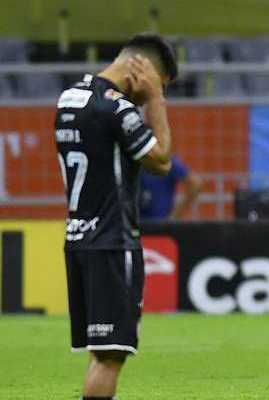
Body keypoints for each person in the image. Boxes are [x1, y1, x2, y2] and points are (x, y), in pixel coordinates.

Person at [54, 32, 177, 400]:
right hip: (112, 241)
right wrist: (155, 100)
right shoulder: (117, 108)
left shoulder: (69, 98)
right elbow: (162, 161)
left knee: (100, 352)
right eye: (160, 83)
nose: (157, 91)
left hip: (78, 236)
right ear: (144, 71)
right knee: (111, 356)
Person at [139, 155, 201, 220]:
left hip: (160, 223)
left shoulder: (167, 162)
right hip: (137, 223)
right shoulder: (134, 161)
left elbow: (195, 184)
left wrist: (174, 215)